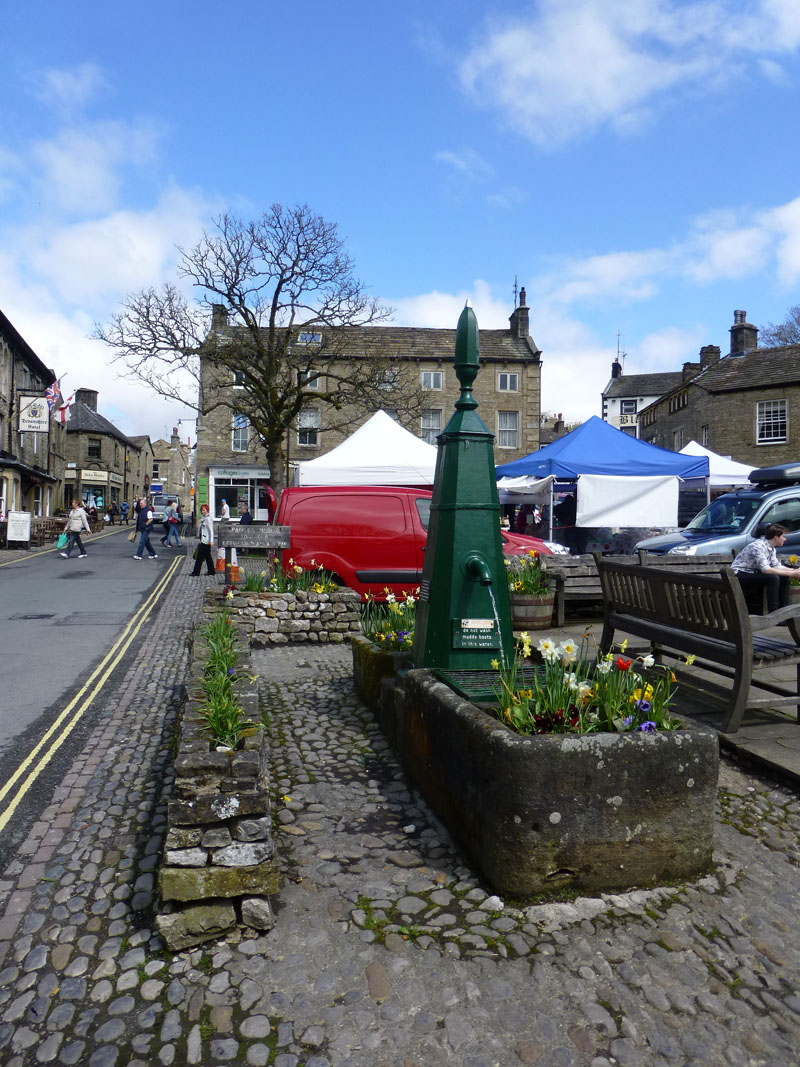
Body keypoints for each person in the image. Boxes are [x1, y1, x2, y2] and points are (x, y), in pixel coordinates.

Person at [731, 523, 800, 614]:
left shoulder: (771, 548)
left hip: (752, 572)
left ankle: (784, 612)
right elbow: (766, 569)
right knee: (772, 578)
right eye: (783, 536)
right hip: (738, 574)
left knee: (784, 577)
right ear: (776, 537)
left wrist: (795, 571)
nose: (785, 539)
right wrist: (792, 573)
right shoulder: (758, 546)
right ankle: (773, 612)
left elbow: (776, 566)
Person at [191, 503, 216, 576]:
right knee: (208, 557)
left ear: (207, 510)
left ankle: (196, 572)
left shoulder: (208, 519)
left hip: (206, 541)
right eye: (202, 510)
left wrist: (211, 540)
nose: (203, 511)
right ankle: (211, 571)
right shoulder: (203, 518)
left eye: (204, 510)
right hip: (203, 540)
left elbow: (211, 530)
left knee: (199, 557)